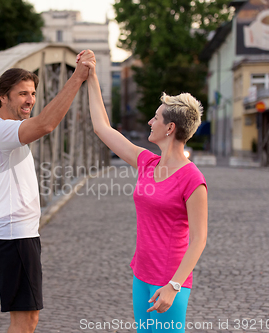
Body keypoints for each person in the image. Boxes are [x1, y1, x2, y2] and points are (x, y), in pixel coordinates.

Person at [81, 51, 208, 332]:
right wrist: (91, 78)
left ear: (170, 128)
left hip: (169, 280)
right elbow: (102, 128)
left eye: (156, 118)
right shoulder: (147, 163)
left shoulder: (192, 179)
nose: (150, 122)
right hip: (142, 274)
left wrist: (173, 286)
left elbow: (199, 239)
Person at [0, 50, 95, 333]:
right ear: (2, 97)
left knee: (27, 319)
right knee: (25, 321)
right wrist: (78, 77)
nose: (30, 100)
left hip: (16, 237)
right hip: (13, 238)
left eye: (32, 93)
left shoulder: (4, 130)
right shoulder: (2, 132)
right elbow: (46, 124)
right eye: (22, 94)